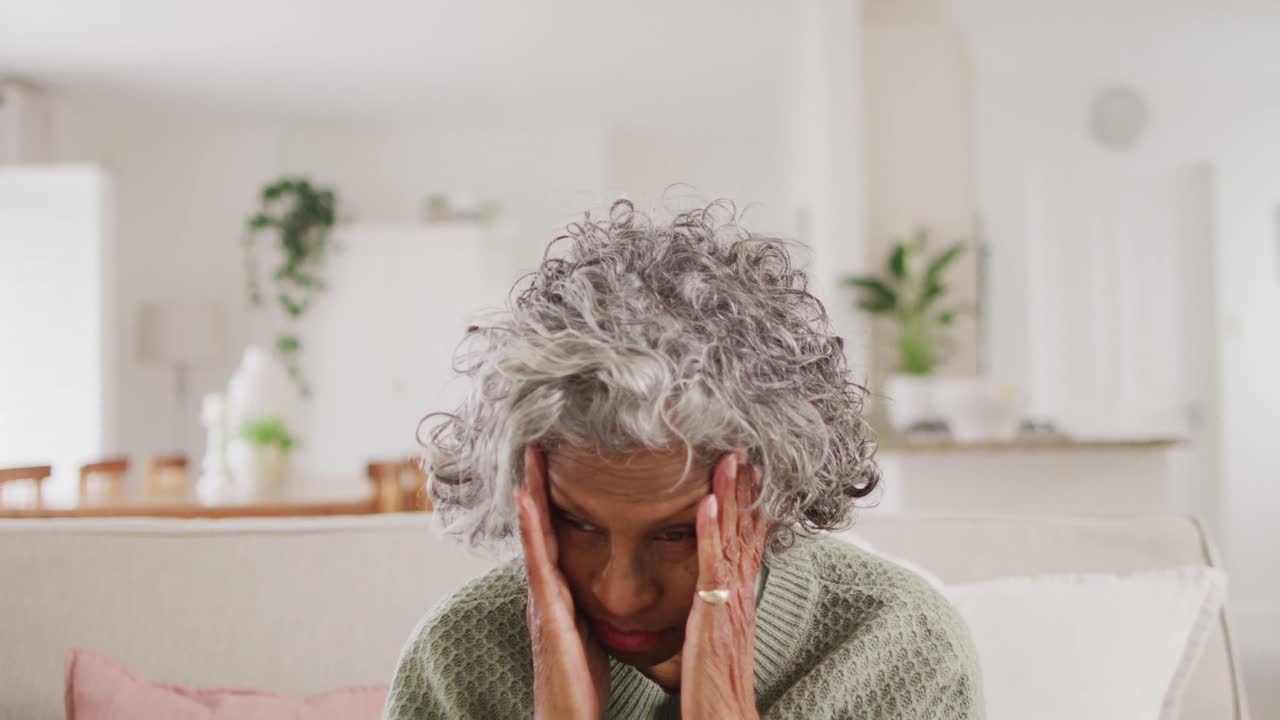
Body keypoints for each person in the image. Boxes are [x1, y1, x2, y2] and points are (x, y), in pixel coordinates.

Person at [383, 200, 983, 719]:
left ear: (773, 496)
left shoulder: (898, 648)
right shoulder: (458, 656)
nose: (622, 594)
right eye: (578, 523)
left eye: (676, 534)